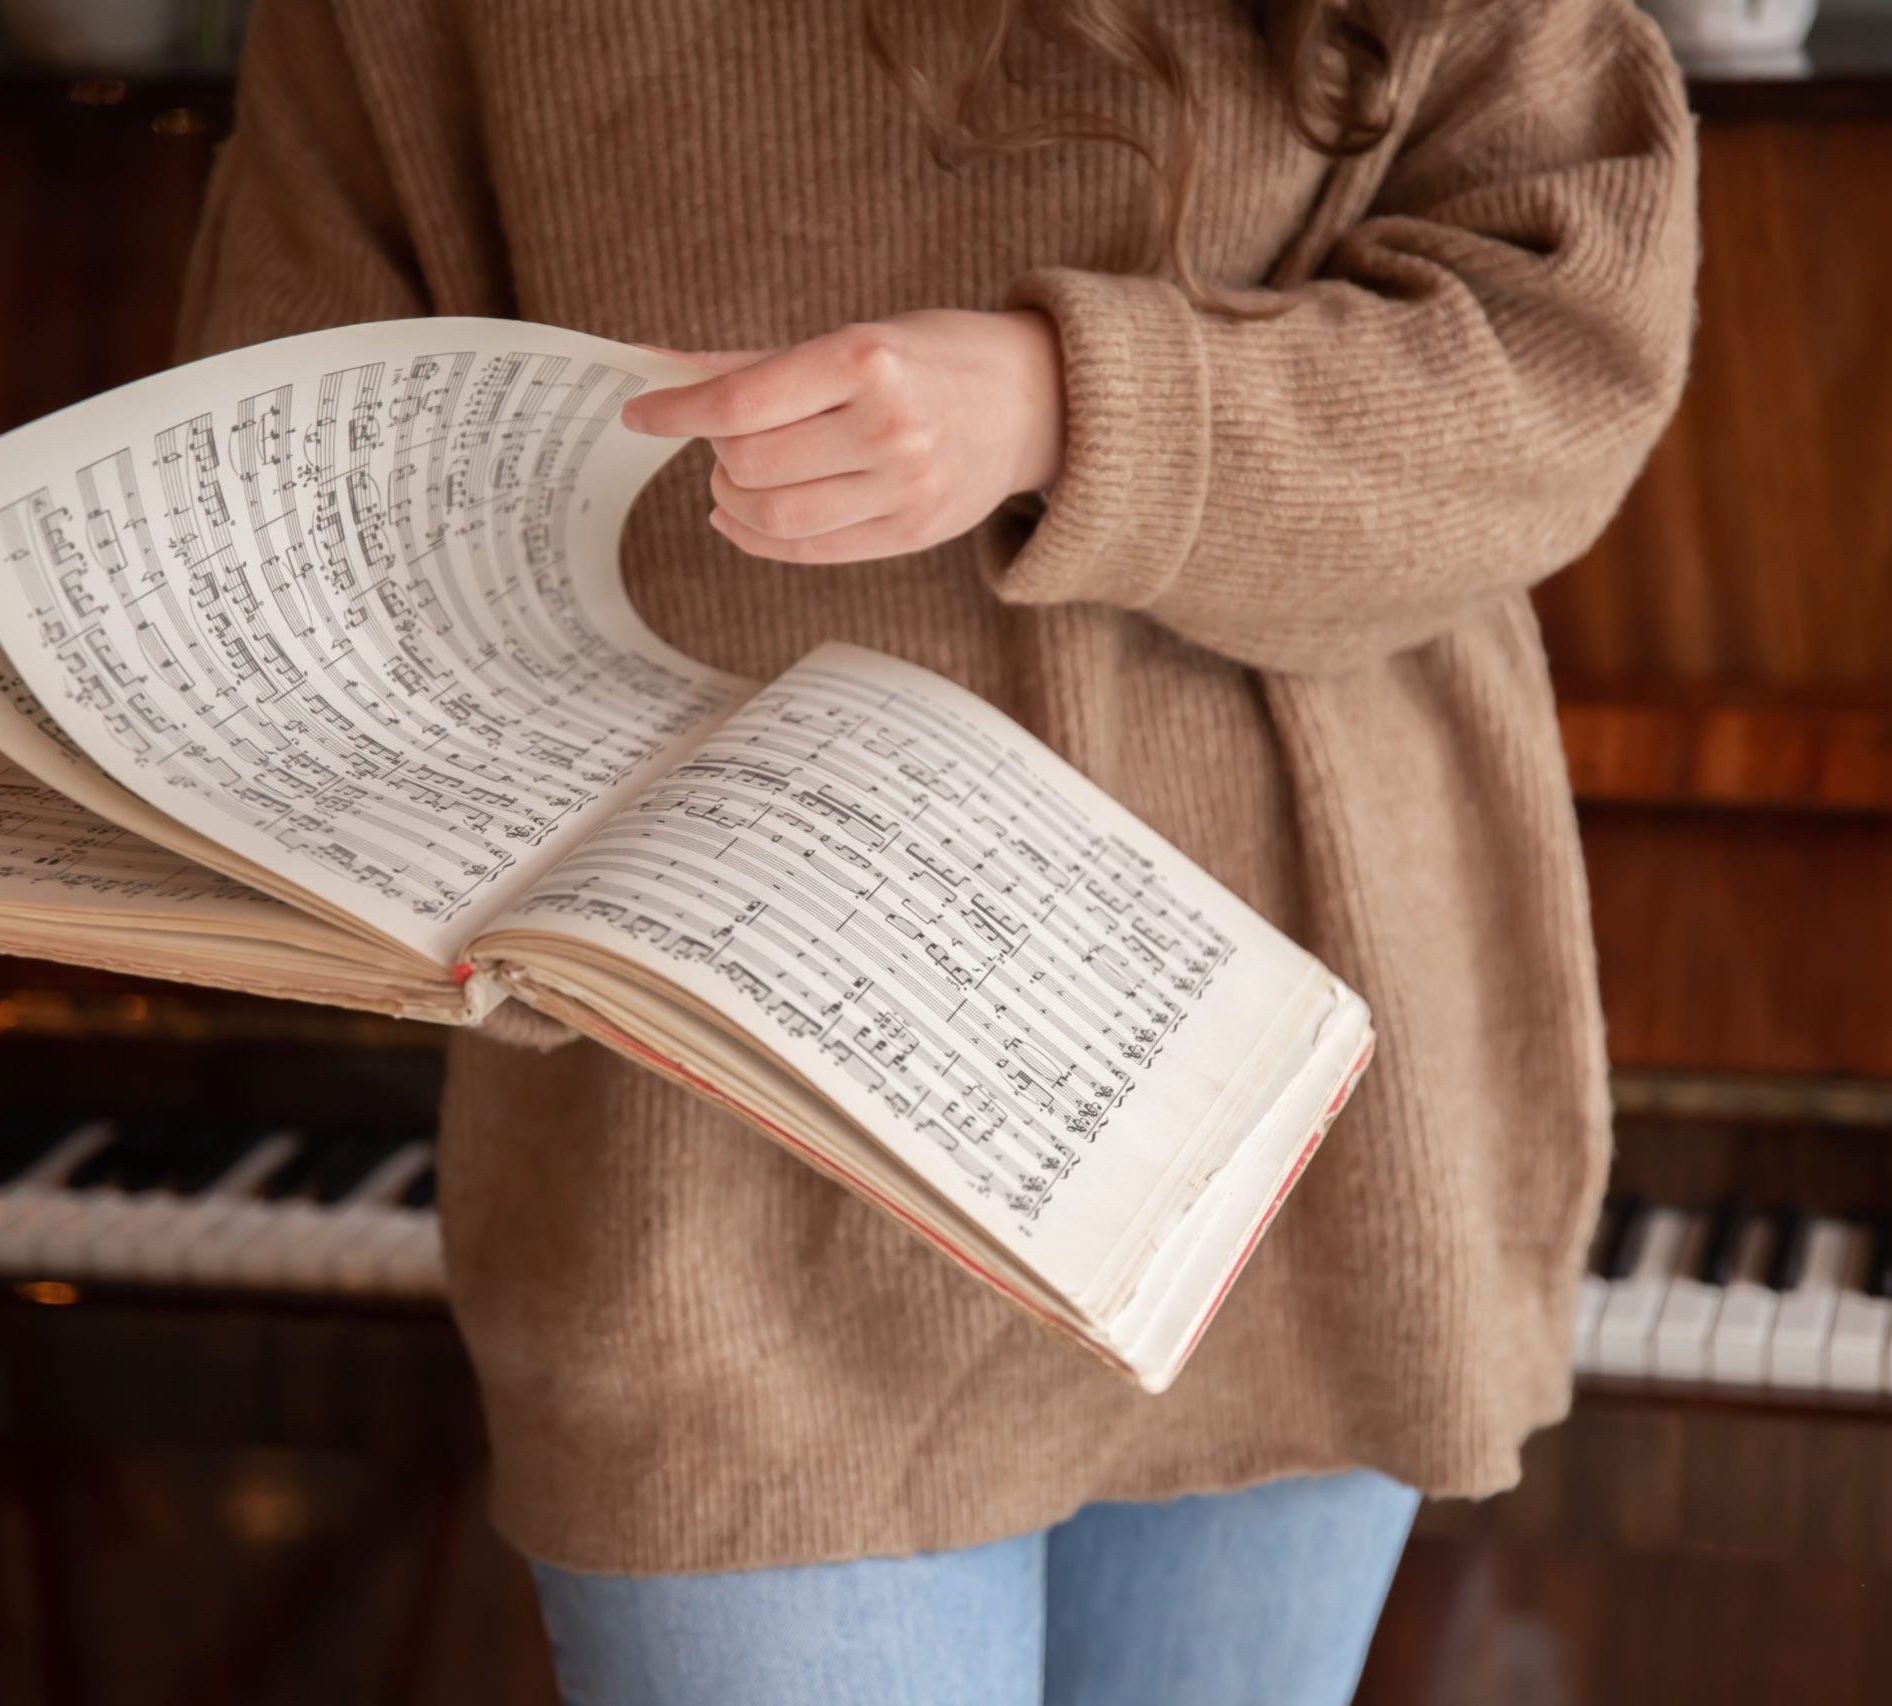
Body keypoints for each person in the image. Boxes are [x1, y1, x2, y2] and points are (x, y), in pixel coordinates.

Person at [177, 0, 1697, 1699]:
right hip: (711, 1147)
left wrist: (1070, 403)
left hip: (1277, 1125)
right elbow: (292, 458)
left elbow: (1571, 355)